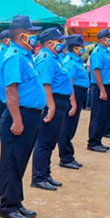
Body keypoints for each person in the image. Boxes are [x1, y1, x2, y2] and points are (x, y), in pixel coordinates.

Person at [0, 16, 44, 218]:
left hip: (29, 115)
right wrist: (17, 120)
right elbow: (10, 90)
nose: (35, 36)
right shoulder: (15, 56)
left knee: (20, 161)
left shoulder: (26, 56)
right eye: (32, 33)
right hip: (20, 114)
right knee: (11, 162)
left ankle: (16, 201)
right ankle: (7, 205)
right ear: (22, 35)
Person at [30, 28, 73, 191]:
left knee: (51, 140)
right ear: (49, 43)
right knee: (45, 141)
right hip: (53, 101)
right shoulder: (47, 58)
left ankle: (45, 174)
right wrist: (51, 106)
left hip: (59, 101)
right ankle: (39, 176)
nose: (62, 44)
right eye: (59, 41)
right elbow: (45, 84)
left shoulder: (55, 58)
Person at [58, 35, 90, 170]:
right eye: (81, 47)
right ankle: (65, 158)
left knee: (71, 127)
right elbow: (69, 82)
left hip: (79, 94)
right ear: (75, 48)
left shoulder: (76, 60)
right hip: (74, 94)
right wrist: (73, 102)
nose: (83, 49)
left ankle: (69, 155)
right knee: (67, 127)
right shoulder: (70, 61)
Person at [87, 29, 110, 153]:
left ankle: (98, 140)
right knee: (98, 115)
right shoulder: (98, 52)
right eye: (109, 37)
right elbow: (96, 71)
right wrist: (102, 90)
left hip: (107, 87)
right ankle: (93, 142)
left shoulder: (107, 52)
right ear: (103, 38)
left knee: (103, 115)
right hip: (100, 87)